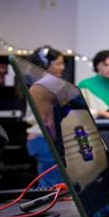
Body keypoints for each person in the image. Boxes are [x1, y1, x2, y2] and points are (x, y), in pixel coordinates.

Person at [24, 45, 66, 187]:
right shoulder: (45, 85)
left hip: (39, 139)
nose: (62, 67)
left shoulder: (40, 84)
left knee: (48, 182)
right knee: (54, 186)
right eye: (58, 63)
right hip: (45, 139)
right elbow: (48, 121)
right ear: (45, 64)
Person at [77, 50, 109, 119]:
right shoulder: (84, 86)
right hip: (92, 128)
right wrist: (100, 113)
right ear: (97, 65)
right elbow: (78, 112)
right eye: (106, 65)